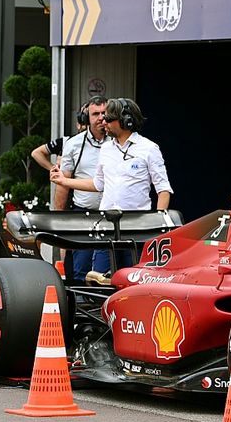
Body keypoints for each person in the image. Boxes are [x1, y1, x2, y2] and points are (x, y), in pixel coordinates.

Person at [50, 98, 173, 281]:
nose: (104, 122)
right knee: (99, 280)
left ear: (126, 121)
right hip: (106, 226)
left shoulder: (149, 149)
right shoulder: (106, 149)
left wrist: (157, 224)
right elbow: (98, 184)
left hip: (137, 230)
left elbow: (163, 189)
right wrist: (64, 181)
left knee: (133, 281)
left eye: (109, 118)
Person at [58, 96, 108, 283]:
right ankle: (80, 306)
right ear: (86, 118)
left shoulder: (117, 142)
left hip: (112, 214)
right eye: (96, 114)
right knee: (80, 266)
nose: (101, 118)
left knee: (109, 267)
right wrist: (59, 218)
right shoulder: (73, 144)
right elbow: (63, 183)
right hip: (83, 213)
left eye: (104, 113)